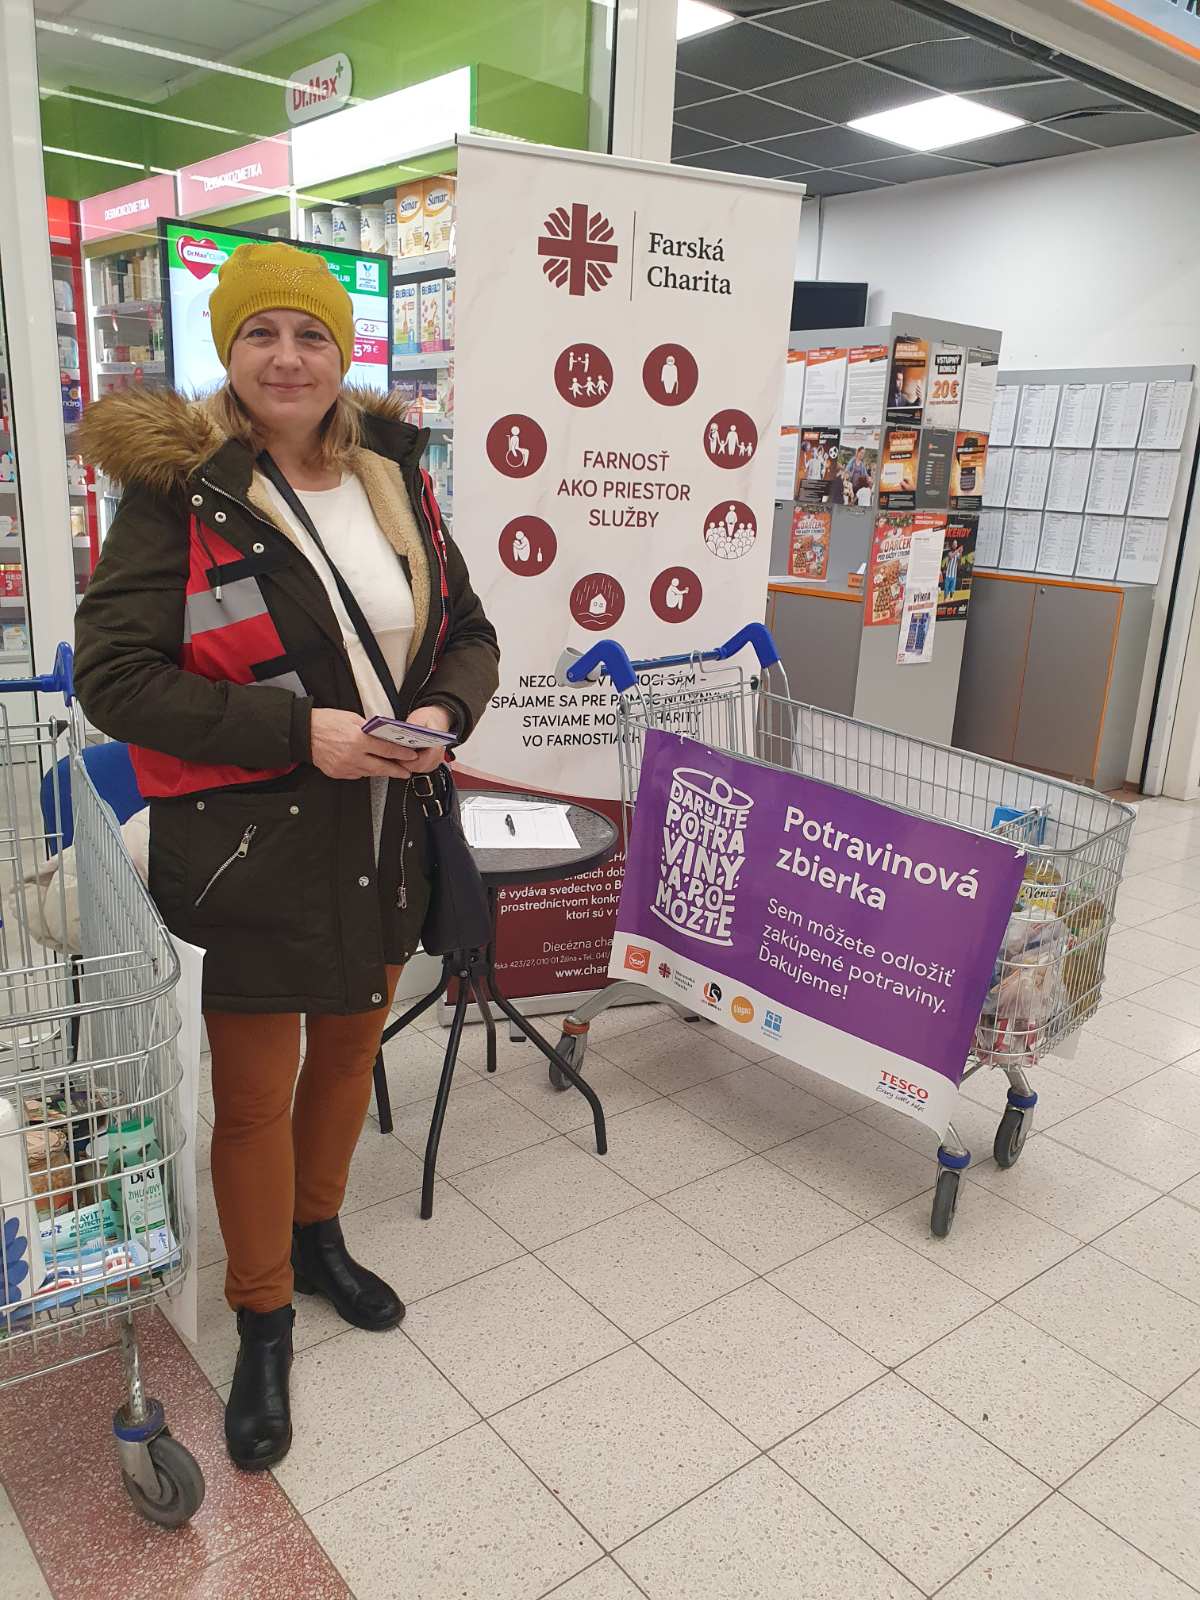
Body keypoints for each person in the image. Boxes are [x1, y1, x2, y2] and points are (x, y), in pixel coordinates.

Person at [73, 242, 499, 1473]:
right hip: (246, 846)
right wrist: (297, 732)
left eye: (310, 334)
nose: (288, 356)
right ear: (230, 350)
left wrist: (443, 711)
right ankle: (262, 1312)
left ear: (340, 351)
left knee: (349, 1057)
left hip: (383, 832)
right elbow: (115, 678)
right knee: (255, 1096)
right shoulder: (180, 492)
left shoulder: (393, 476)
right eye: (260, 332)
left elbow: (467, 629)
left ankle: (318, 1238)